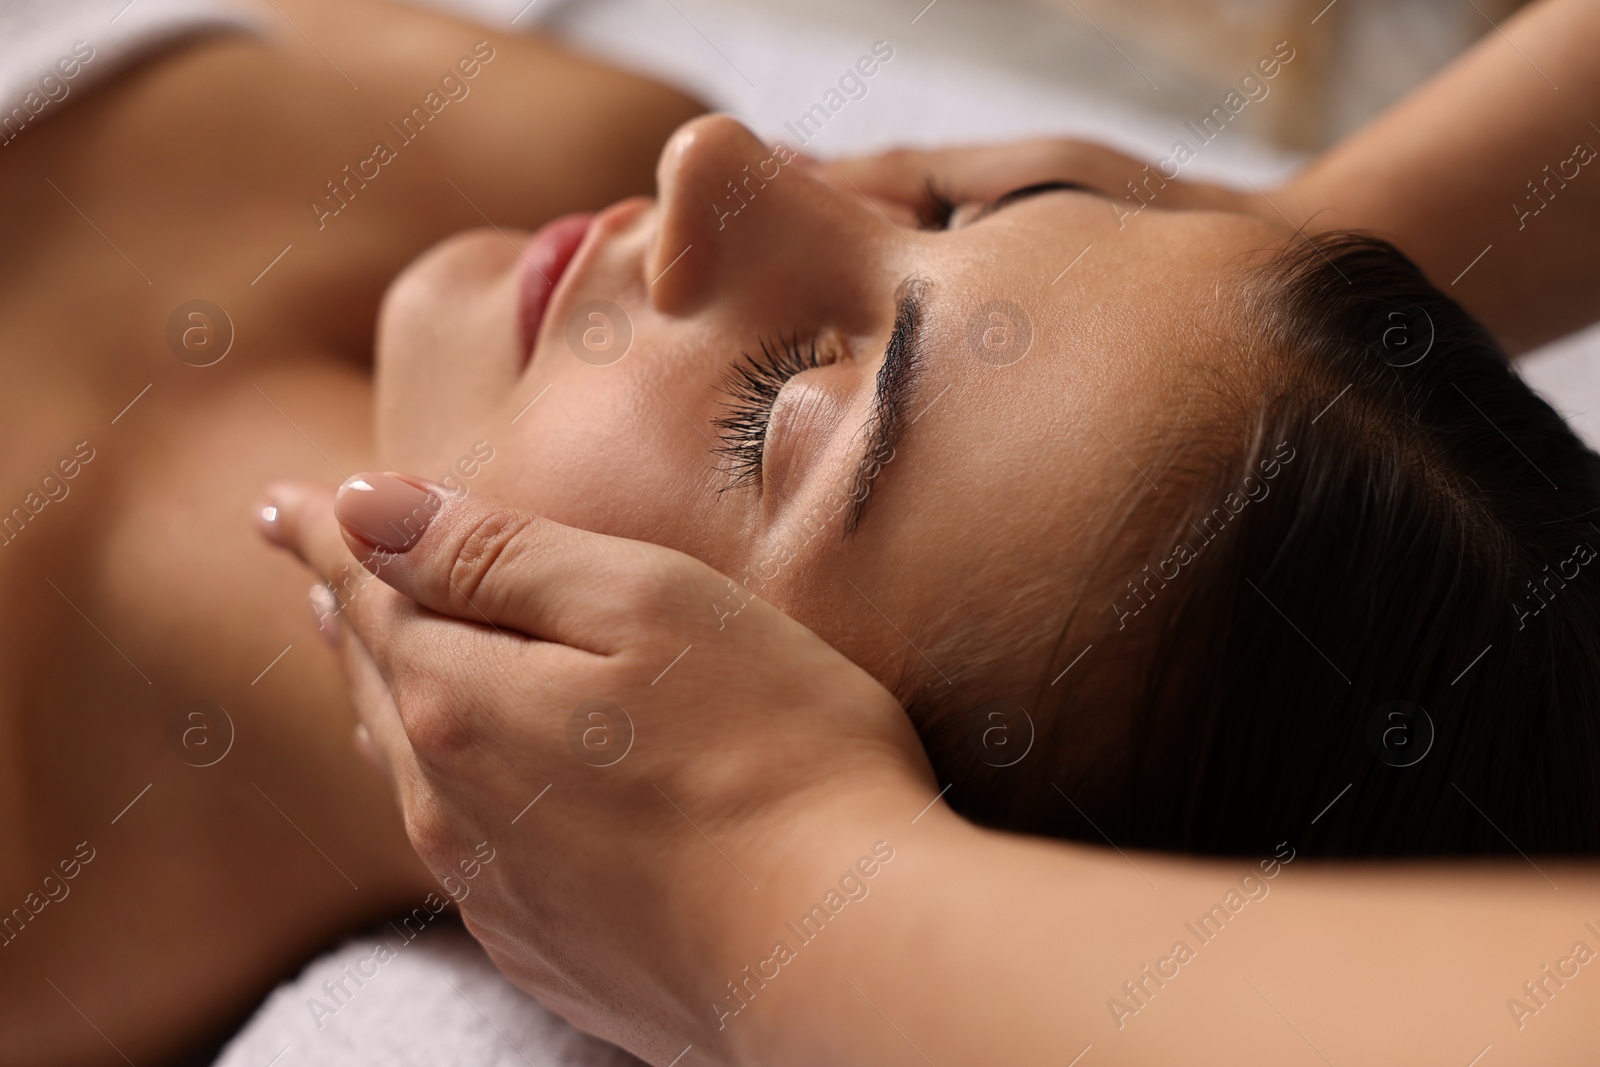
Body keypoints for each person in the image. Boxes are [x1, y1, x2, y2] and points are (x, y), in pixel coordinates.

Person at [2, 0, 1597, 1064]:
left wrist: (769, 897)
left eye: (779, 412)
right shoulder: (540, 139)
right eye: (953, 222)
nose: (726, 165)